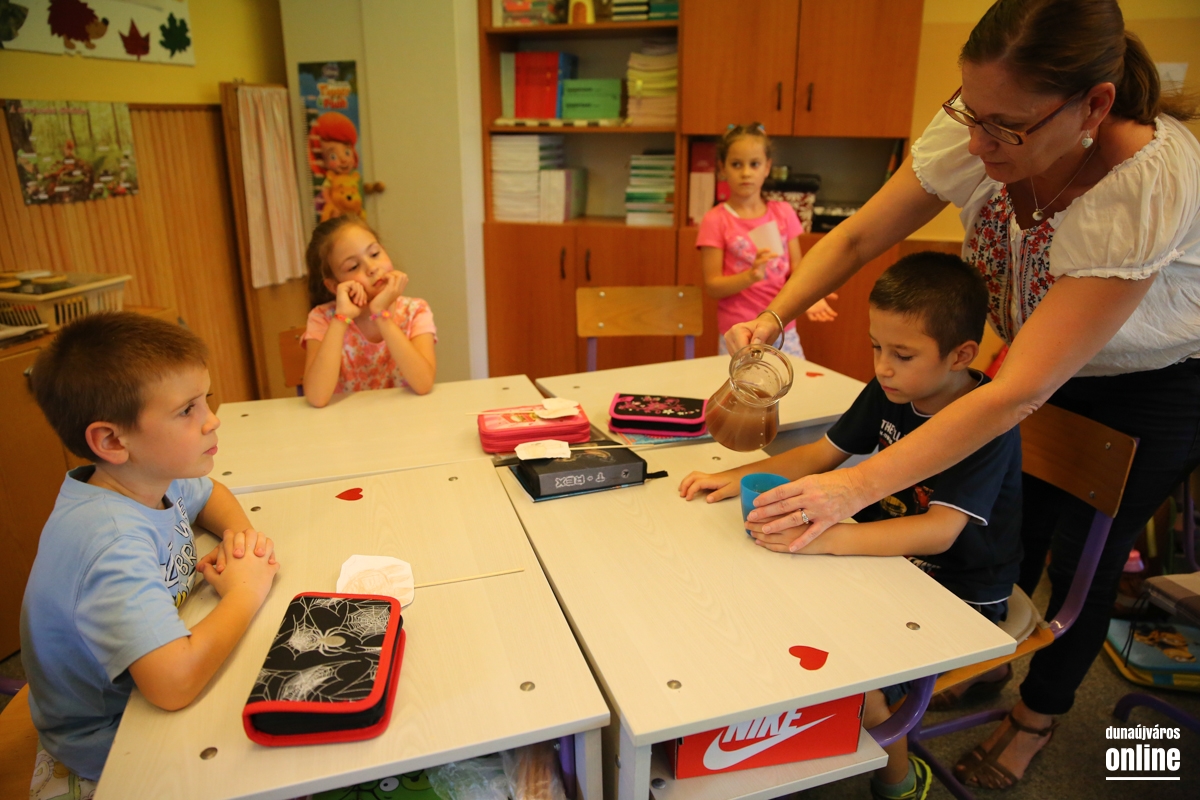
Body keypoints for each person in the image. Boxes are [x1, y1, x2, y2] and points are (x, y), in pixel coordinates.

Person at [726, 0, 1200, 788]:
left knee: (1082, 559)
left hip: (1148, 385)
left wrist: (850, 491)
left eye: (1005, 128)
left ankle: (1038, 716)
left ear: (1093, 106)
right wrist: (773, 317)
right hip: (1035, 367)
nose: (978, 143)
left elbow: (1013, 395)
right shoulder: (987, 125)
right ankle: (986, 663)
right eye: (970, 114)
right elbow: (857, 235)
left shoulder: (1148, 182)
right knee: (1015, 527)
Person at [682, 252, 1021, 800]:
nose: (883, 367)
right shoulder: (892, 389)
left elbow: (939, 532)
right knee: (773, 599)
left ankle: (900, 781)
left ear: (961, 355)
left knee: (856, 673)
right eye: (876, 347)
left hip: (960, 589)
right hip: (887, 560)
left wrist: (829, 539)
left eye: (902, 355)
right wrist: (735, 475)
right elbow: (822, 453)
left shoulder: (986, 419)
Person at [21, 312, 280, 796]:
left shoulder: (146, 476)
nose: (212, 419)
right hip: (110, 745)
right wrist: (245, 592)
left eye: (206, 399)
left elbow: (210, 494)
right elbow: (173, 684)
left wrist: (240, 540)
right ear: (112, 441)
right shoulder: (110, 543)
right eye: (187, 410)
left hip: (153, 687)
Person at [696, 123, 837, 358]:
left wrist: (811, 297)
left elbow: (797, 270)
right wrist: (750, 276)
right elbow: (713, 286)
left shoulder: (783, 212)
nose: (746, 173)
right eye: (736, 164)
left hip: (782, 326)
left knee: (790, 379)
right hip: (738, 332)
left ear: (767, 167)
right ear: (722, 167)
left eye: (754, 164)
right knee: (741, 382)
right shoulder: (715, 219)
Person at [302, 215, 437, 407]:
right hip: (346, 422)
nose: (372, 268)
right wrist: (341, 318)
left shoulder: (415, 311)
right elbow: (317, 397)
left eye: (374, 254)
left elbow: (423, 384)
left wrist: (380, 314)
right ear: (333, 286)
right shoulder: (322, 318)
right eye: (353, 266)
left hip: (404, 418)